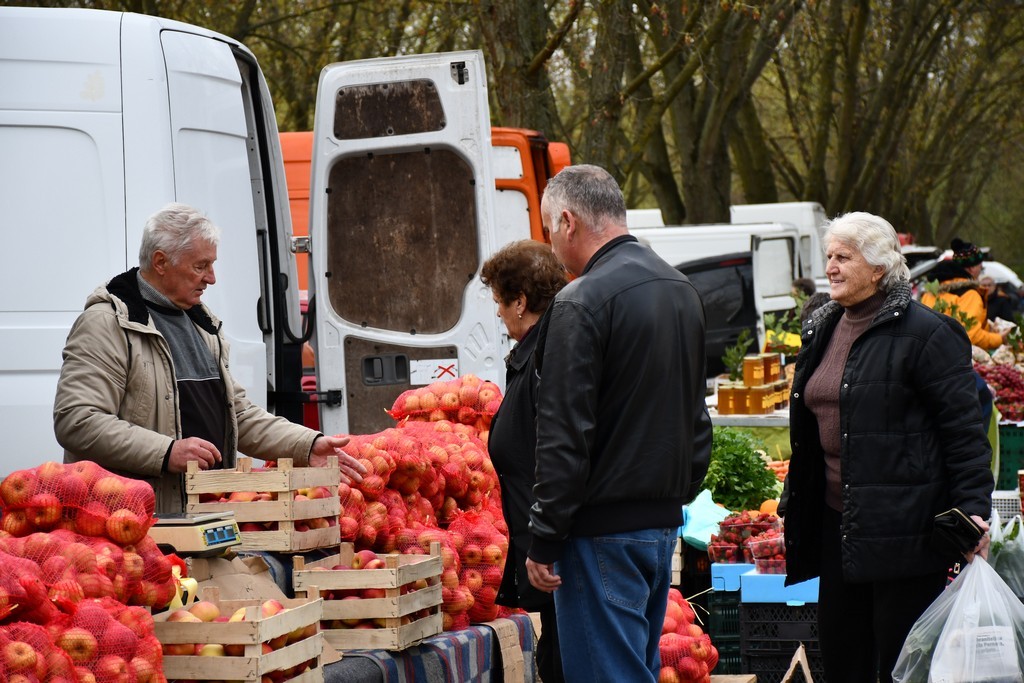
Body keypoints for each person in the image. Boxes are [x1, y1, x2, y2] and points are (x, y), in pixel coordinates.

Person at [784, 212, 993, 682]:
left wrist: (973, 508)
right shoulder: (821, 328)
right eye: (829, 257)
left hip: (905, 529)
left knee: (902, 664)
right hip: (837, 526)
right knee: (843, 657)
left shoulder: (927, 334)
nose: (831, 267)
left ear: (878, 268)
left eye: (844, 257)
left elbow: (964, 433)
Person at [524, 165, 713, 681]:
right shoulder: (681, 289)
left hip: (600, 532)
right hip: (660, 524)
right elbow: (697, 416)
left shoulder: (579, 301)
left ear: (567, 221)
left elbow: (564, 434)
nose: (552, 244)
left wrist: (544, 537)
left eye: (548, 228)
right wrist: (675, 493)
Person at [53, 203, 366, 514]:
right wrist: (166, 452)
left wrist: (306, 444)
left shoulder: (202, 326)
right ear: (160, 262)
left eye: (212, 265)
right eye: (200, 266)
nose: (211, 278)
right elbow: (77, 420)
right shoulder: (106, 324)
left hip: (205, 518)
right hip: (134, 523)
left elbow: (238, 415)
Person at [480, 240, 568, 683]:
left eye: (499, 301)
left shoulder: (544, 356)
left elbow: (554, 455)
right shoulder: (533, 353)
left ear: (520, 302)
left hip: (555, 551)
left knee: (564, 661)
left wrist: (544, 541)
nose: (497, 313)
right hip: (543, 540)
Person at [920, 238, 1008, 350]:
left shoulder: (930, 293)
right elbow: (971, 336)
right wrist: (999, 338)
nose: (981, 270)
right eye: (980, 266)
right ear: (972, 268)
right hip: (954, 359)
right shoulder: (970, 294)